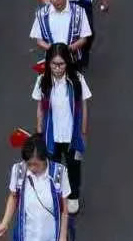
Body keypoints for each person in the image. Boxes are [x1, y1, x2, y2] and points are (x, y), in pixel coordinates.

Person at [33, 44, 91, 213]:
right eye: (54, 64)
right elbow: (40, 108)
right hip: (52, 135)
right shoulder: (42, 81)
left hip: (72, 136)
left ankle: (73, 196)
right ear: (48, 63)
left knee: (73, 167)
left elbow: (84, 107)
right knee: (53, 168)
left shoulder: (77, 80)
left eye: (61, 64)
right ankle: (57, 196)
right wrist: (39, 131)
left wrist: (83, 132)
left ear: (67, 63)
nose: (57, 68)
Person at [0, 136, 72, 241]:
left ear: (44, 159)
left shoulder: (59, 172)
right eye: (29, 164)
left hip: (51, 236)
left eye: (36, 164)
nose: (32, 168)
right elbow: (13, 196)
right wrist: (4, 223)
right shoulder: (18, 170)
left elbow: (64, 210)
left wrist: (62, 237)